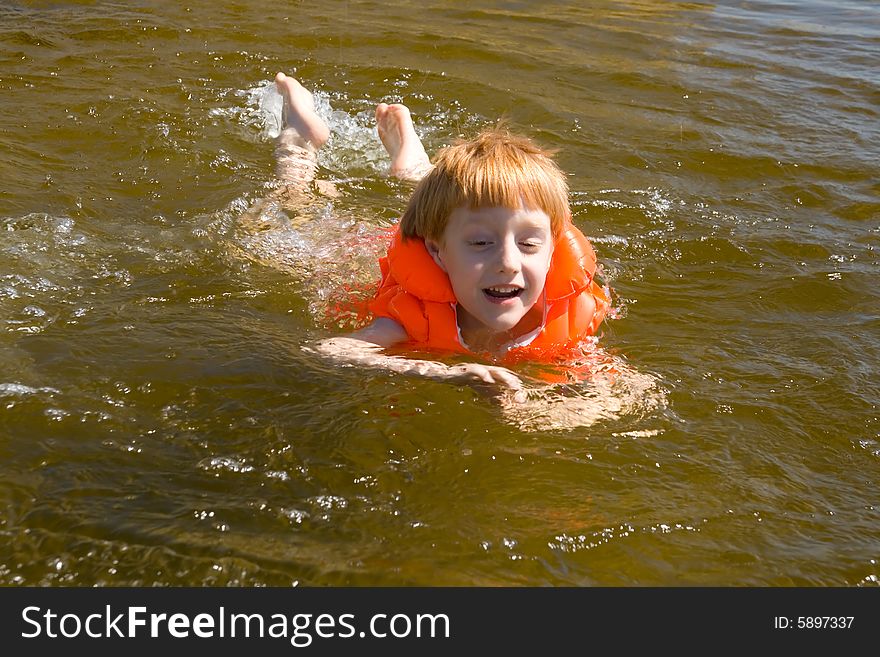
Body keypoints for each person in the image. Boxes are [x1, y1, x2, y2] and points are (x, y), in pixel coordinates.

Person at [272, 72, 610, 391]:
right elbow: (329, 349)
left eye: (529, 243)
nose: (508, 261)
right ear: (436, 252)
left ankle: (411, 162)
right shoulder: (412, 315)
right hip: (352, 247)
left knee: (459, 207)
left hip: (450, 228)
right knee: (295, 204)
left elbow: (621, 391)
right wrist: (443, 371)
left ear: (552, 250)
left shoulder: (561, 309)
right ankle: (300, 136)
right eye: (481, 243)